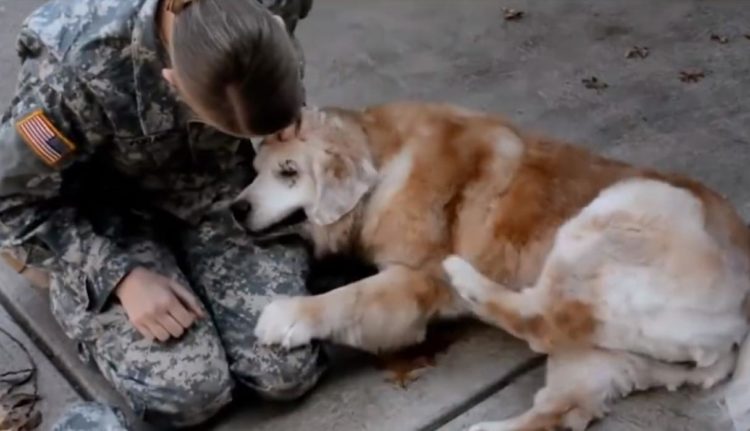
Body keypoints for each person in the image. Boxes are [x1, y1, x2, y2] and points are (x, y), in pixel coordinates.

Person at [0, 0, 325, 428]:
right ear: (172, 83)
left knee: (285, 368)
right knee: (190, 394)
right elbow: (9, 200)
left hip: (216, 188)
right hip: (106, 219)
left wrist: (290, 121)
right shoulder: (73, 75)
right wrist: (117, 275)